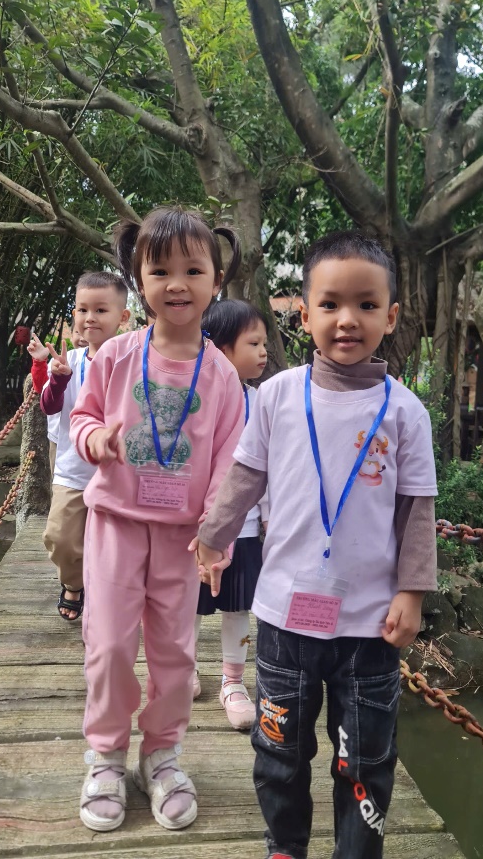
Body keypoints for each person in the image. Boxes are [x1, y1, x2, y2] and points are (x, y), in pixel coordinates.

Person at [193, 231, 439, 859]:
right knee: (279, 752)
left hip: (371, 627)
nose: (347, 319)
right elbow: (245, 476)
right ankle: (285, 847)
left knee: (365, 761)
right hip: (284, 618)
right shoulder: (278, 395)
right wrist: (212, 537)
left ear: (391, 316)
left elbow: (416, 510)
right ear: (303, 315)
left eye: (366, 304)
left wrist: (412, 593)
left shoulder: (404, 412)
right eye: (330, 304)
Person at [69, 206, 245, 834]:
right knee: (109, 646)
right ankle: (106, 756)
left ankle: (162, 754)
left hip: (182, 539)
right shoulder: (115, 355)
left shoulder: (223, 376)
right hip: (115, 525)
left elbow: (229, 462)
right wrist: (95, 440)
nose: (177, 284)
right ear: (138, 279)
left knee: (175, 654)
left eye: (193, 270)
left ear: (216, 280)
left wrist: (215, 538)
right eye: (160, 270)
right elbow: (83, 416)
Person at [194, 299, 269, 730]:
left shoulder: (261, 401)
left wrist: (270, 517)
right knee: (187, 603)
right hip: (195, 529)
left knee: (238, 606)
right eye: (253, 343)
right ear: (222, 349)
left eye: (263, 343)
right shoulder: (193, 399)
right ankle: (183, 668)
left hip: (244, 526)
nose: (263, 352)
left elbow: (270, 466)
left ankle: (233, 682)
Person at [40, 273, 131, 620]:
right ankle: (73, 582)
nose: (90, 317)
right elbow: (49, 406)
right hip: (73, 471)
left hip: (119, 473)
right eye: (82, 309)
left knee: (119, 544)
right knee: (60, 537)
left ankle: (107, 593)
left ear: (123, 317)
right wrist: (58, 380)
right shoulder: (70, 362)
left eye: (100, 310)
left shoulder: (133, 363)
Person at [28, 325, 88, 476]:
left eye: (86, 332)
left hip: (97, 438)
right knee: (60, 481)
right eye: (78, 332)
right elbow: (42, 388)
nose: (82, 338)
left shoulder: (111, 358)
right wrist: (40, 362)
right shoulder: (62, 360)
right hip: (61, 438)